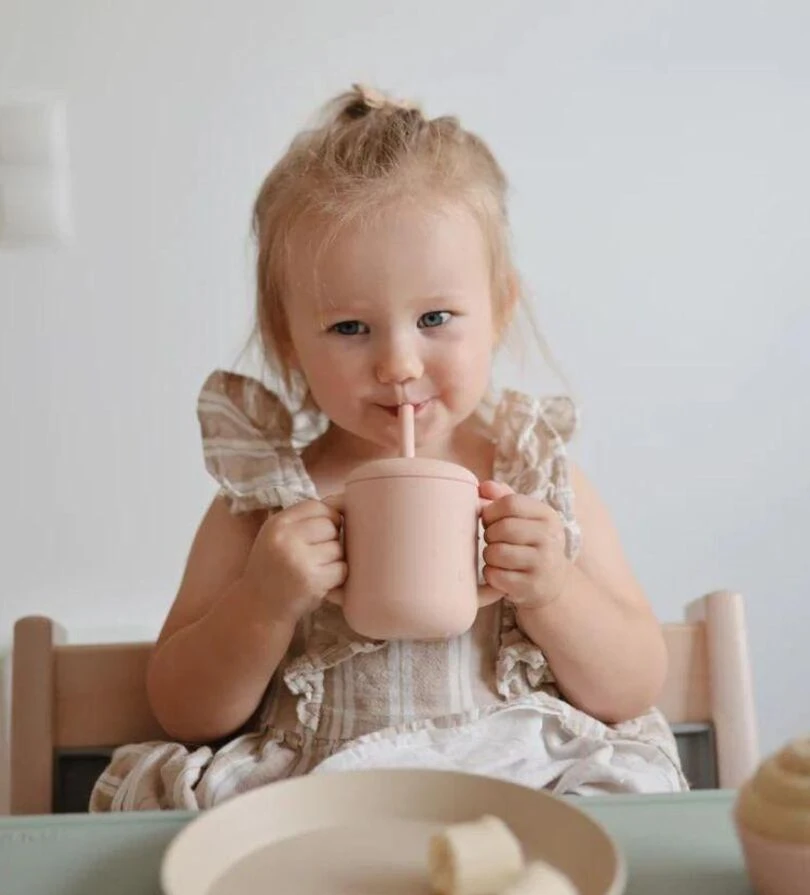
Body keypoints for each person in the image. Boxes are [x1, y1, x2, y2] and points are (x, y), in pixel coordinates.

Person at [90, 84, 687, 811]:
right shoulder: (262, 502)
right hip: (320, 804)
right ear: (289, 342)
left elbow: (634, 687)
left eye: (435, 317)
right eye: (349, 328)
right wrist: (263, 602)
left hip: (514, 798)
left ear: (498, 311)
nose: (398, 363)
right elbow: (181, 712)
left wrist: (553, 590)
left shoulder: (535, 478)